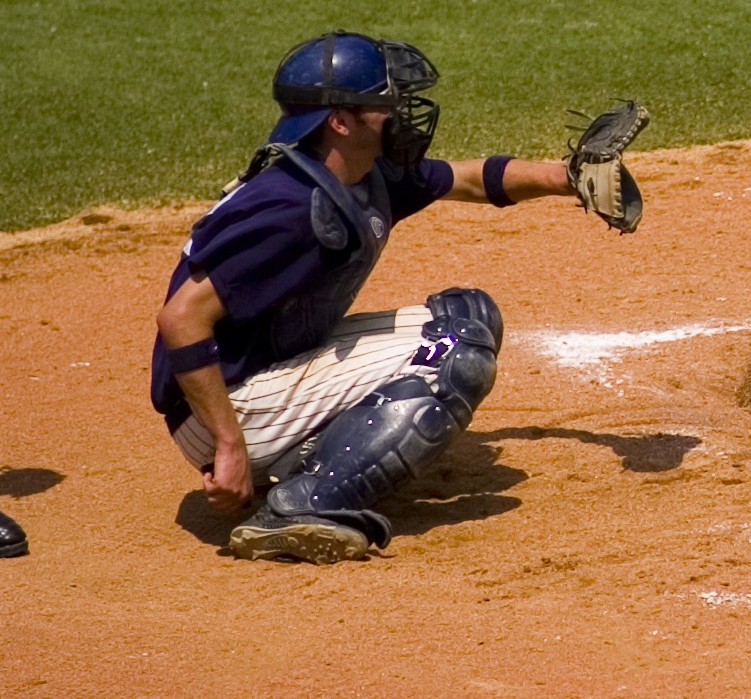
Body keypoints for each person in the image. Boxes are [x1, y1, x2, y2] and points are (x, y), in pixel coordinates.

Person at [151, 32, 645, 563]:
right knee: (455, 352)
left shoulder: (355, 173)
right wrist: (228, 444)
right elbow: (181, 318)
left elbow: (471, 179)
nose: (401, 115)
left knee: (469, 313)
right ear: (340, 121)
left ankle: (314, 457)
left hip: (261, 372)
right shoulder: (291, 210)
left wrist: (566, 177)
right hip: (224, 404)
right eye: (386, 105)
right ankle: (299, 506)